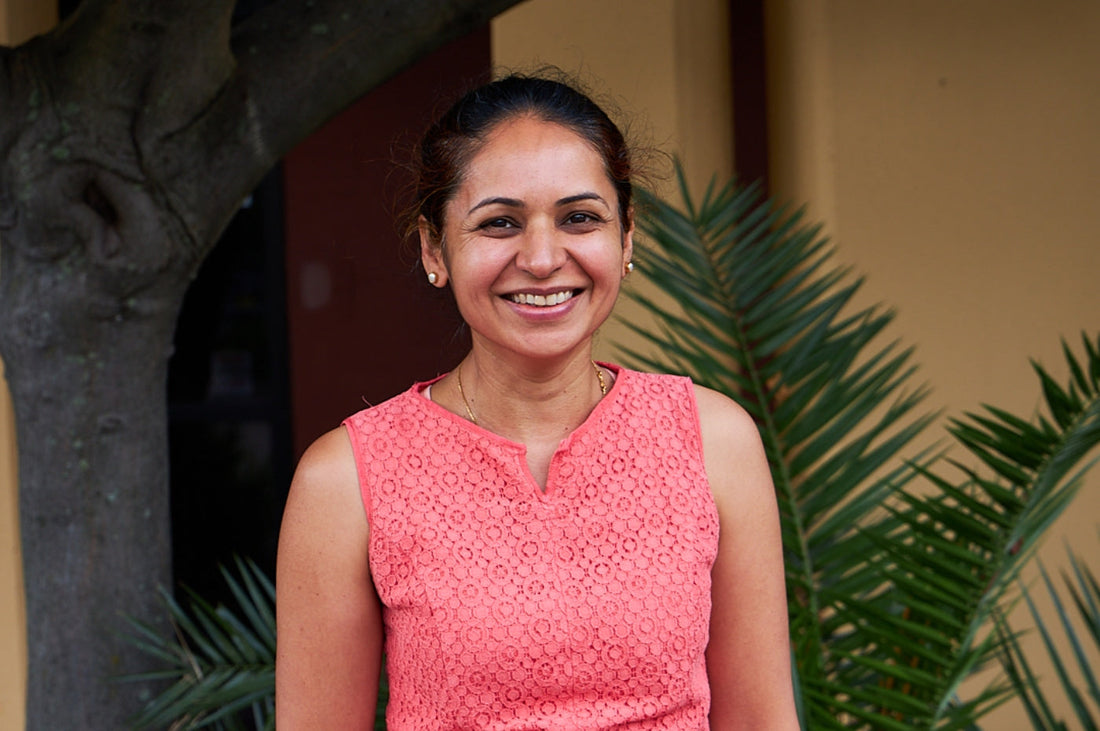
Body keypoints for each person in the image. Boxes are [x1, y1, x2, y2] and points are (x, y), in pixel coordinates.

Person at [275, 73, 799, 729]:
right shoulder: (348, 479)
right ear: (434, 247)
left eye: (580, 217)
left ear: (627, 235)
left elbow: (761, 721)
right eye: (500, 222)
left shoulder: (712, 441)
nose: (544, 257)